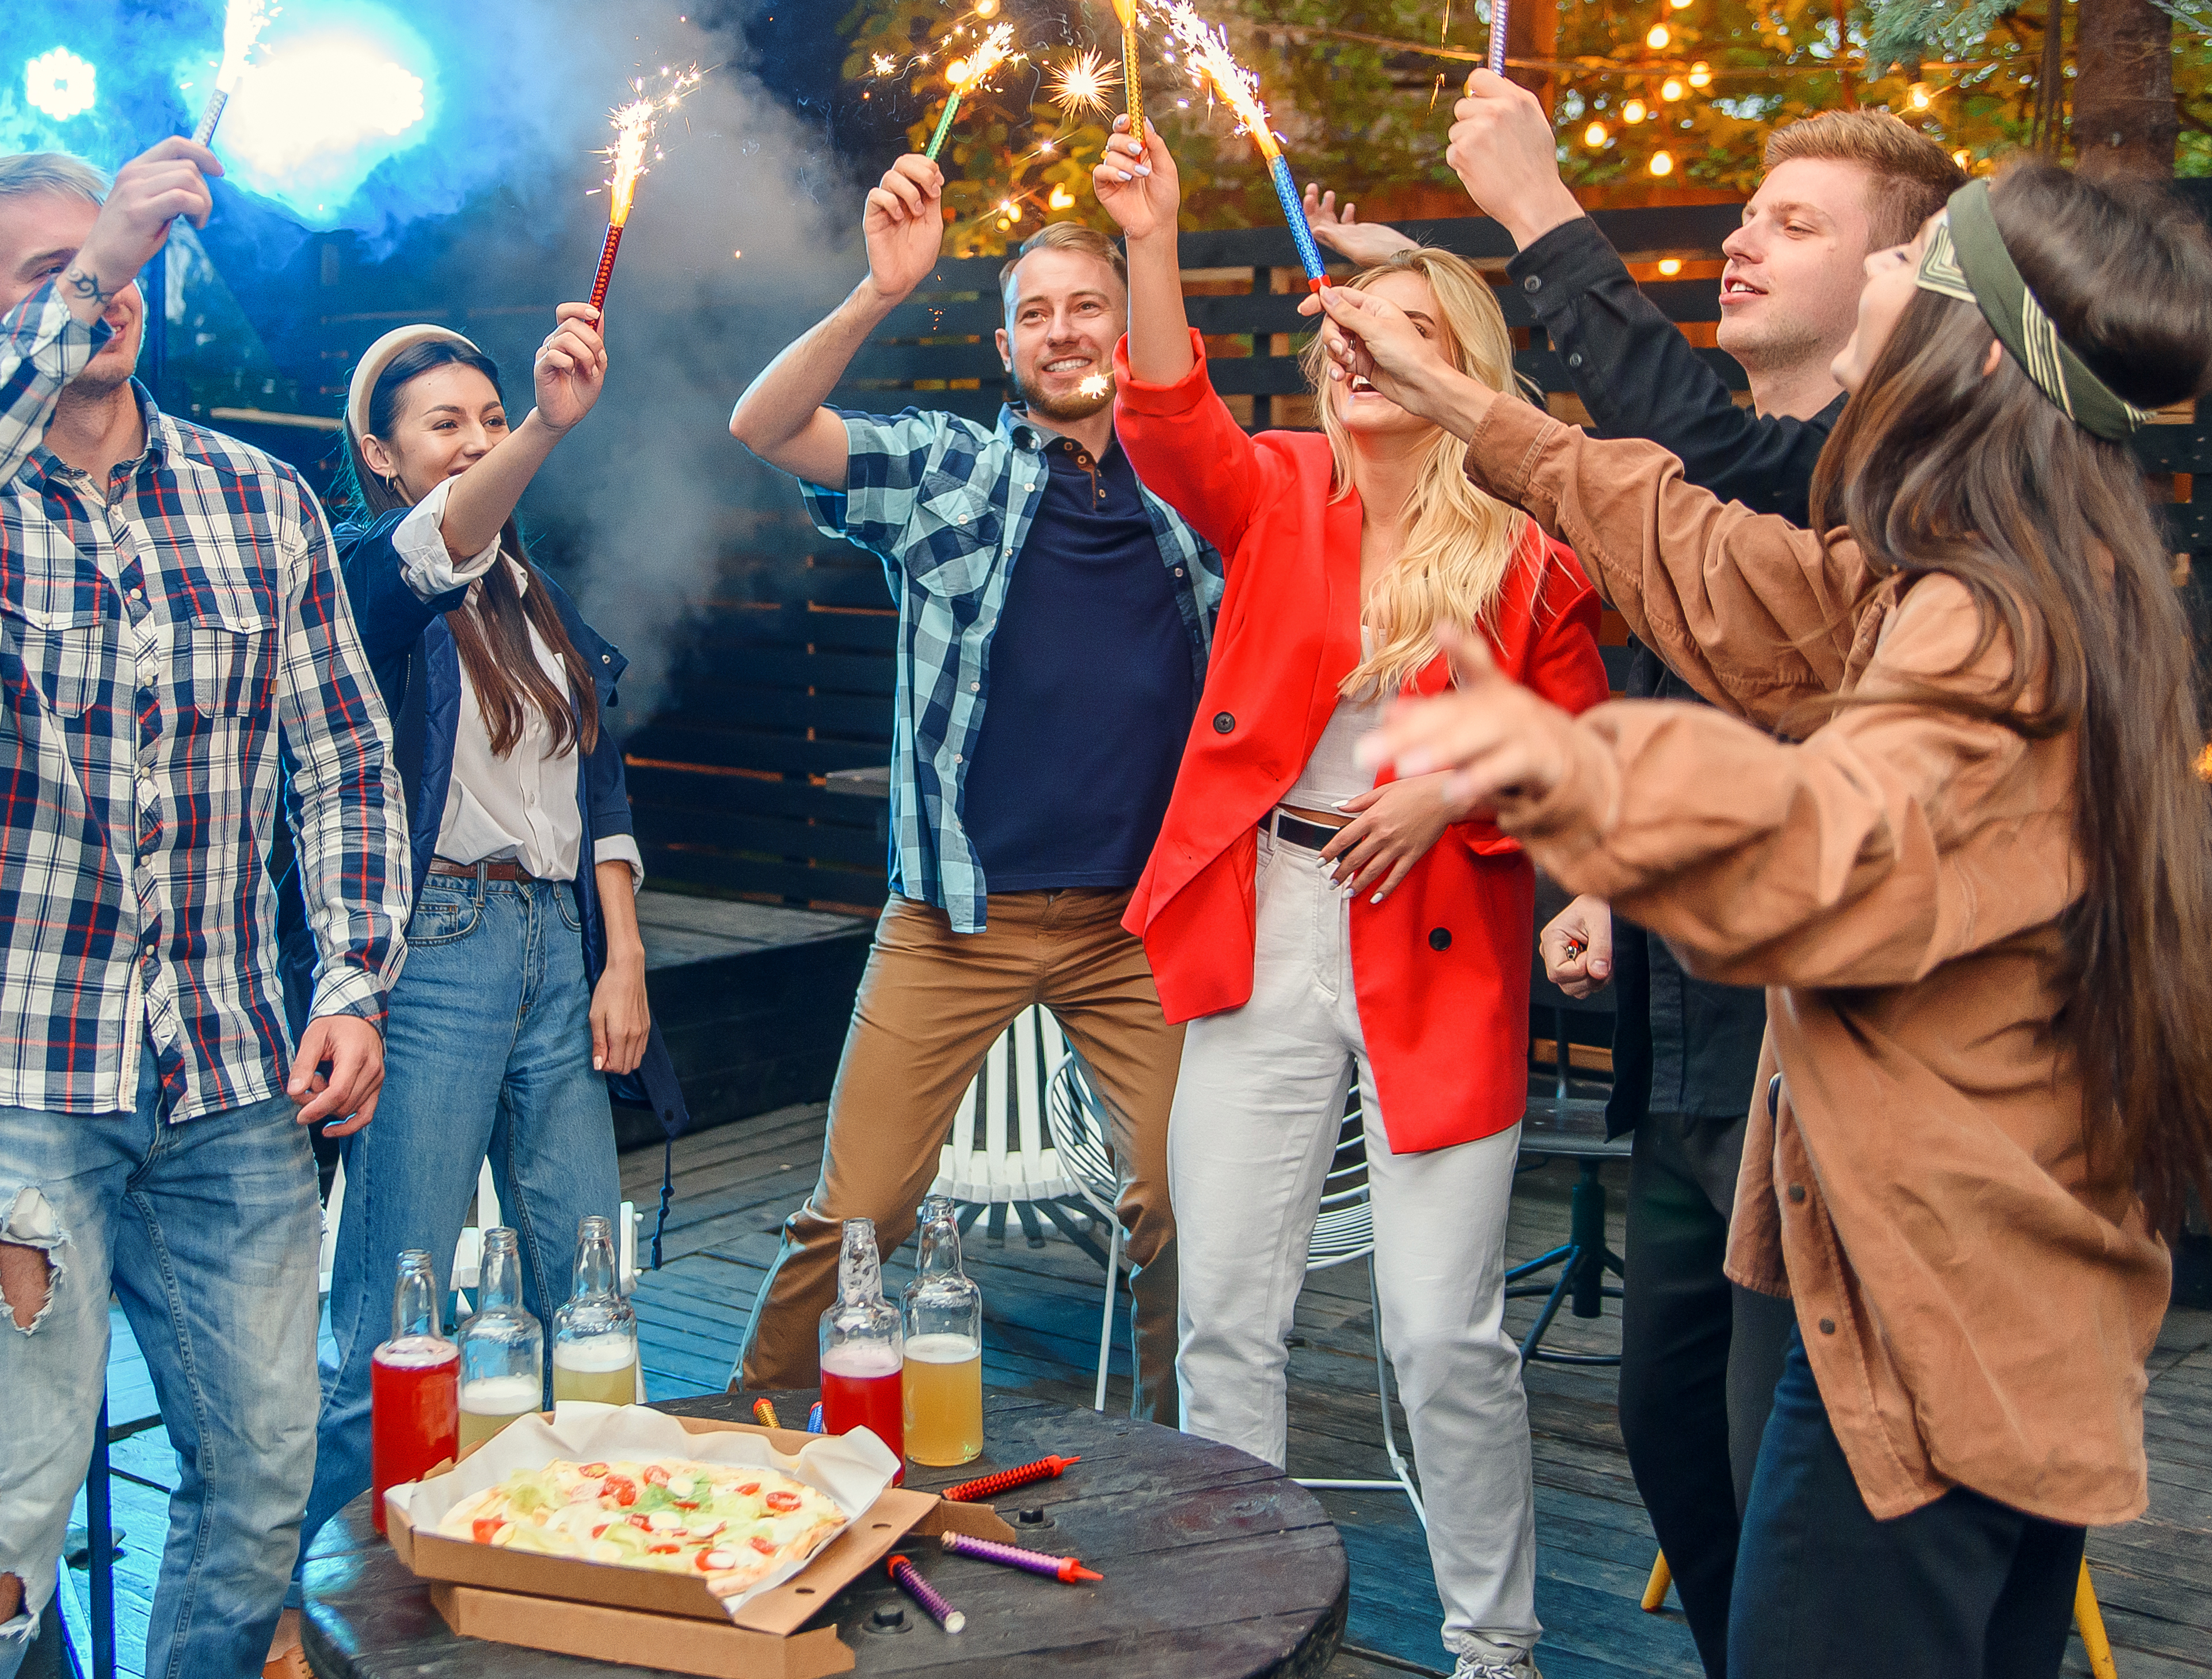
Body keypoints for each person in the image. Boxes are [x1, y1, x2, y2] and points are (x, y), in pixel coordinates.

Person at [1319, 159, 2212, 1679]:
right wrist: (1472, 411)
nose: (1878, 280)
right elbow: (1734, 577)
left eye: (1914, 270)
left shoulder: (1995, 625)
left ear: (1966, 352)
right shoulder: (1992, 571)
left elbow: (1835, 844)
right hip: (1970, 1291)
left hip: (1933, 1320)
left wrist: (1574, 767)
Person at [1306, 85, 1961, 1673]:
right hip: (1686, 1041)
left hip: (1826, 1063)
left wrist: (1537, 215)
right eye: (1748, 210)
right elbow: (1652, 572)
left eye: (1794, 224)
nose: (1740, 238)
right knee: (1674, 1428)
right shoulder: (1724, 454)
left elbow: (1693, 472)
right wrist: (1597, 870)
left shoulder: (1884, 474)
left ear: (1904, 279)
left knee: (1794, 1471)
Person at [0, 143, 405, 1679]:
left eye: (119, 260)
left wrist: (350, 981)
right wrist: (81, 292)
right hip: (17, 1076)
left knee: (267, 1478)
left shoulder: (259, 500)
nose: (112, 286)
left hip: (228, 1075)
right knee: (10, 1502)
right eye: (52, 269)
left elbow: (341, 756)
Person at [1098, 112, 1608, 1679]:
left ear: (1457, 366)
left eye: (1391, 335)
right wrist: (1149, 232)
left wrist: (1484, 809)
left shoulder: (1525, 547)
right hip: (1266, 918)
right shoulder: (1277, 494)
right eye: (1342, 336)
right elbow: (1166, 416)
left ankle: (1492, 1651)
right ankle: (1242, 1634)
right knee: (1227, 1318)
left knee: (1441, 1334)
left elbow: (1584, 763)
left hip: (1444, 939)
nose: (1349, 358)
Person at [725, 163, 1217, 1420]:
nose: (1063, 332)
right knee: (859, 1214)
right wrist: (874, 294)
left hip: (1139, 930)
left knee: (1192, 1201)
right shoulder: (956, 474)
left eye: (1086, 305)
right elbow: (765, 428)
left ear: (1126, 321)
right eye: (1036, 314)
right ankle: (752, 1438)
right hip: (957, 923)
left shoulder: (1195, 502)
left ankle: (1187, 1466)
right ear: (1006, 346)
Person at [279, 309, 664, 1637]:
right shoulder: (364, 575)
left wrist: (621, 956)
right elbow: (435, 548)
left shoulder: (532, 591)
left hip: (555, 948)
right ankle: (336, 1617)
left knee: (587, 1287)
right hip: (430, 955)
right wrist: (554, 426)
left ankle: (599, 1567)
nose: (477, 440)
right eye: (446, 424)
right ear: (381, 457)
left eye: (492, 420)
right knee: (400, 1306)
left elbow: (594, 777)